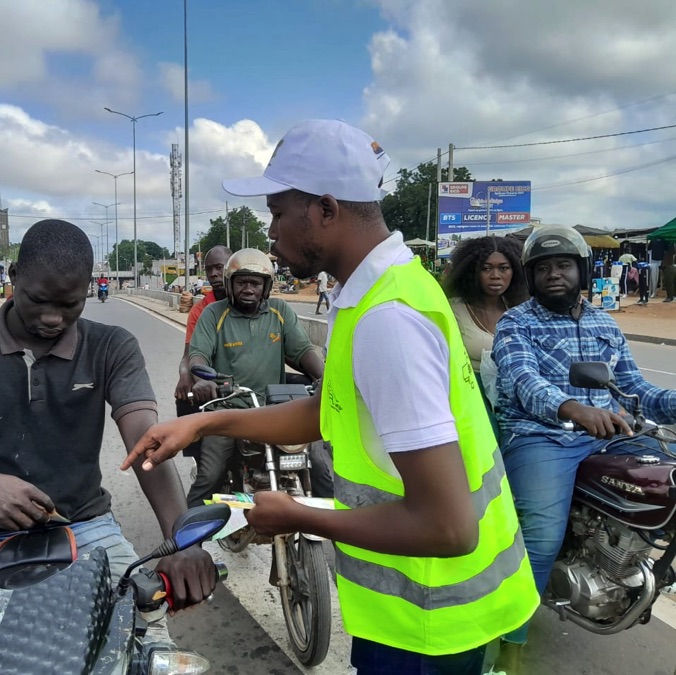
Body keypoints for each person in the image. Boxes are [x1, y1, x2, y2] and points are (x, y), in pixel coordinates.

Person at [122, 120, 538, 675]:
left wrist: (300, 515)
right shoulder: (378, 290)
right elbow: (328, 412)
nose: (269, 233)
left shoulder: (387, 320)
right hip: (415, 613)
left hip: (428, 624)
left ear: (324, 209)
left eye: (275, 212)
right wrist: (202, 426)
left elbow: (449, 527)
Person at [0, 220, 217, 620]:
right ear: (14, 277)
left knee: (145, 638)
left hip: (86, 527)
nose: (53, 319)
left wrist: (181, 540)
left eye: (69, 305)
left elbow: (146, 441)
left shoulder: (111, 346)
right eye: (38, 300)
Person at [492, 225, 676, 671]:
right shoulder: (517, 322)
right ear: (531, 276)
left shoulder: (603, 322)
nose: (555, 274)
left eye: (563, 265)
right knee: (537, 539)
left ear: (582, 270)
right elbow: (523, 381)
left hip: (609, 433)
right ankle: (508, 651)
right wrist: (571, 408)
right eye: (544, 268)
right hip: (540, 436)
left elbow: (635, 389)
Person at [185, 247, 329, 505]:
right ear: (230, 284)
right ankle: (184, 538)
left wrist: (326, 379)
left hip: (277, 410)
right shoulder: (213, 314)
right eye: (241, 282)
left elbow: (303, 351)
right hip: (229, 409)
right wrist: (202, 379)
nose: (248, 288)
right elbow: (198, 356)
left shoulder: (280, 311)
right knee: (210, 475)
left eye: (255, 283)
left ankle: (338, 529)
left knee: (319, 465)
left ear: (266, 286)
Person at [442, 236, 528, 440]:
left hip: (514, 397)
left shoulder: (520, 311)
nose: (495, 276)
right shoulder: (453, 310)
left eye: (503, 268)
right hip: (469, 397)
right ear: (472, 271)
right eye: (486, 268)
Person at [173, 246, 232, 458]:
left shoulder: (263, 305)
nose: (214, 274)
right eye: (209, 270)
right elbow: (189, 354)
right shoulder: (201, 310)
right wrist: (185, 374)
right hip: (215, 380)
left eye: (219, 267)